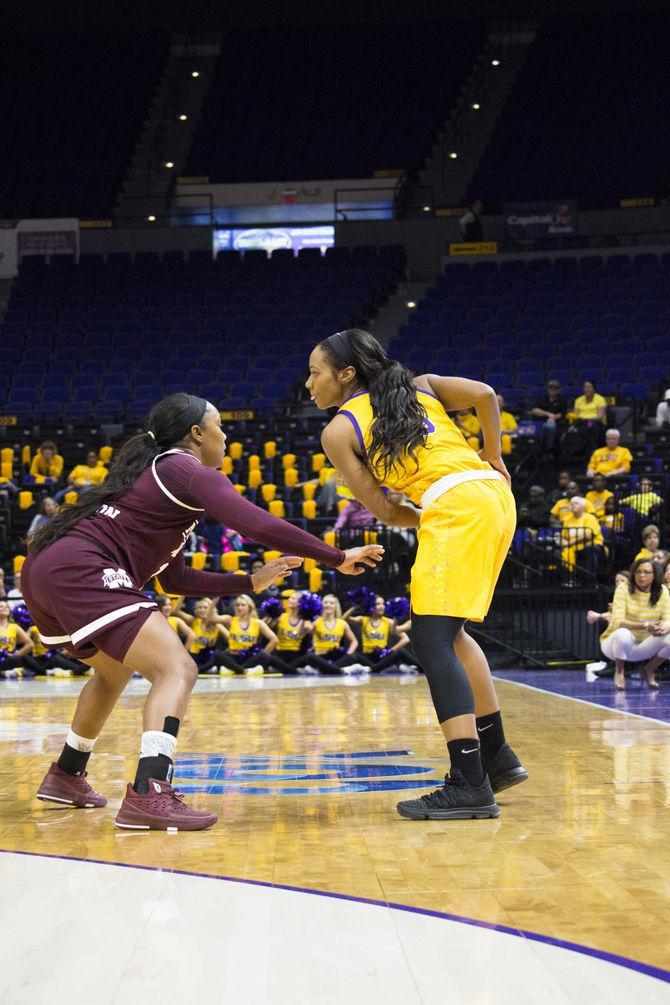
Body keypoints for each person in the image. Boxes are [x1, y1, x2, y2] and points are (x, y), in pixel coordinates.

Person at [23, 392, 383, 832]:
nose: (226, 435)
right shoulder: (183, 467)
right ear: (197, 433)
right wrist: (336, 555)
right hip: (81, 566)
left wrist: (249, 582)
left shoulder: (158, 483)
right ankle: (149, 792)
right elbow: (256, 524)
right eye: (219, 426)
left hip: (44, 573)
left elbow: (174, 581)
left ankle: (66, 773)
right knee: (177, 669)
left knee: (114, 672)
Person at [306, 328, 526, 821]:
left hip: (456, 506)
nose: (308, 383)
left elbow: (383, 508)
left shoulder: (339, 431)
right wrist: (494, 454)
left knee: (430, 642)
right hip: (492, 495)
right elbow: (487, 396)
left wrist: (426, 515)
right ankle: (495, 756)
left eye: (315, 372)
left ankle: (469, 783)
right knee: (450, 634)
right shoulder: (419, 384)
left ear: (345, 375)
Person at [599, 558, 670, 689]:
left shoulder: (662, 591)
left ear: (654, 575)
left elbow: (668, 618)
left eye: (646, 572)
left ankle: (648, 669)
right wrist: (646, 625)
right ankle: (619, 671)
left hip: (643, 646)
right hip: (614, 646)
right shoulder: (623, 588)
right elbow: (617, 621)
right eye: (638, 572)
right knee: (623, 633)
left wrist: (664, 628)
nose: (641, 575)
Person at [289, 594, 362, 675]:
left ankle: (322, 671)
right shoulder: (316, 620)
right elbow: (302, 633)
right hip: (320, 656)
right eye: (326, 602)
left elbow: (354, 641)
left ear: (335, 606)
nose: (328, 605)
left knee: (352, 656)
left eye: (331, 603)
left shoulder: (342, 623)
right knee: (310, 657)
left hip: (335, 656)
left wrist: (349, 653)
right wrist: (304, 618)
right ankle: (341, 671)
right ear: (322, 605)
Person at [343, 594, 416, 672]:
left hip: (382, 656)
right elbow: (344, 618)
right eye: (378, 604)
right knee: (353, 656)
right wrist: (356, 606)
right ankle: (379, 669)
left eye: (383, 604)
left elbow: (405, 639)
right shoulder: (364, 620)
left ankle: (421, 668)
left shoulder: (388, 621)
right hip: (367, 657)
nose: (382, 606)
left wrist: (390, 651)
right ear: (371, 606)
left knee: (401, 652)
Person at [216, 594, 278, 675]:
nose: (239, 607)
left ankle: (234, 669)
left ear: (250, 607)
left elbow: (274, 640)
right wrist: (214, 601)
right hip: (234, 655)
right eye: (237, 605)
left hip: (250, 657)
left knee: (265, 655)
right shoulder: (230, 620)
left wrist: (263, 653)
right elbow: (210, 618)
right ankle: (244, 671)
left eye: (243, 605)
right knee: (217, 654)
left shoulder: (258, 622)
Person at [172, 596, 229, 673]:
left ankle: (199, 671)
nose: (202, 610)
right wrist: (183, 595)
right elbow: (176, 611)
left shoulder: (217, 625)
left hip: (208, 658)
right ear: (196, 610)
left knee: (217, 656)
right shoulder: (193, 621)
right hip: (194, 656)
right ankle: (200, 670)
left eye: (205, 607)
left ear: (211, 610)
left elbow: (230, 639)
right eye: (200, 607)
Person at [560, 496, 605, 574]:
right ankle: (568, 578)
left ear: (583, 506)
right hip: (573, 547)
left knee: (588, 550)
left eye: (576, 503)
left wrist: (569, 543)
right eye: (571, 504)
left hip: (592, 546)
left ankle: (589, 579)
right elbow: (563, 536)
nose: (573, 505)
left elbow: (588, 536)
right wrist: (563, 542)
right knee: (558, 552)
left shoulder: (590, 518)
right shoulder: (567, 520)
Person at [0, 600, 43, 678]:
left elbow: (30, 644)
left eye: (6, 607)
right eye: (1, 606)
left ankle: (7, 673)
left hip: (8, 659)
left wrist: (16, 654)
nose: (4, 608)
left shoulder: (14, 627)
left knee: (16, 660)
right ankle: (9, 673)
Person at [530, 379, 568, 455]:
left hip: (555, 422)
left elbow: (563, 413)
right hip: (539, 422)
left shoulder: (562, 399)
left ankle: (548, 449)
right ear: (548, 388)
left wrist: (553, 417)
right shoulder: (541, 398)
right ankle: (535, 452)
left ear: (558, 389)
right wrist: (548, 414)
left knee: (550, 427)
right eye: (551, 388)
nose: (552, 390)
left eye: (555, 388)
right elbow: (534, 410)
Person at [571, 379, 607, 448]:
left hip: (596, 422)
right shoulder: (578, 400)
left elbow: (600, 417)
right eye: (585, 387)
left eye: (589, 387)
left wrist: (587, 419)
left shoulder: (600, 399)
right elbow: (575, 415)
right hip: (581, 422)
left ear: (594, 389)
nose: (587, 389)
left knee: (590, 426)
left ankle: (593, 448)